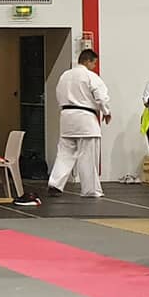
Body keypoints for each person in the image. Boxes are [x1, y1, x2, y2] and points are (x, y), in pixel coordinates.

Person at [47, 49, 110, 198]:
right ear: (87, 61)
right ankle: (90, 190)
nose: (94, 66)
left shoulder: (64, 76)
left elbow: (58, 94)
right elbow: (101, 97)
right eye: (94, 63)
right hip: (85, 117)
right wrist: (106, 111)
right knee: (88, 156)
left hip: (66, 117)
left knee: (64, 153)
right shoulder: (90, 76)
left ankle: (55, 183)